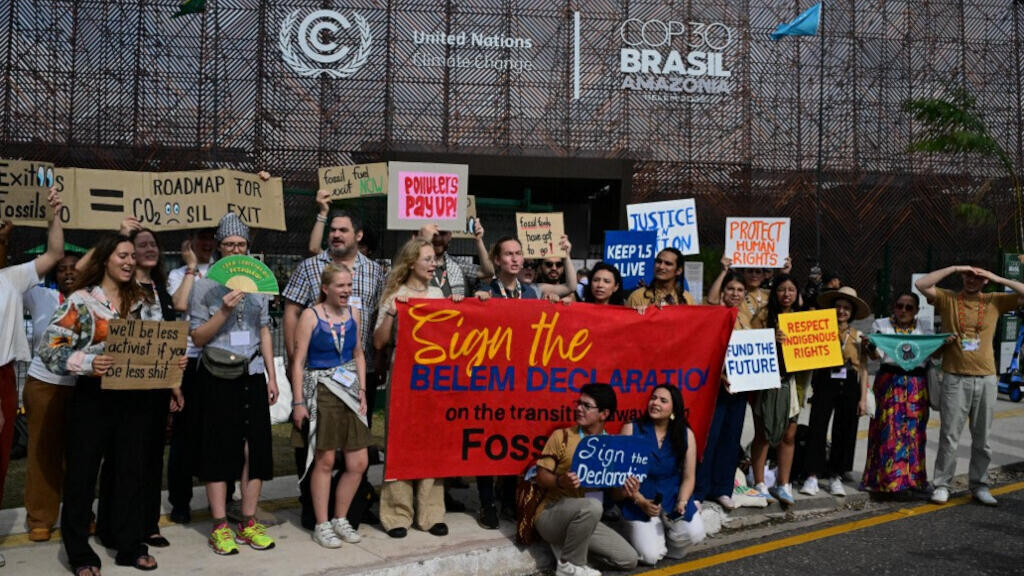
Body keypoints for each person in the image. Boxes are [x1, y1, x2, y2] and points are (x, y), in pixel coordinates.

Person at [38, 233, 162, 574]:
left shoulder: (144, 298)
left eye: (132, 257)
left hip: (136, 398)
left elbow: (159, 340)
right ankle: (79, 552)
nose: (128, 261)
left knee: (129, 473)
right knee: (81, 475)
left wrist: (171, 360)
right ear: (106, 259)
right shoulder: (80, 301)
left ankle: (126, 542)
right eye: (122, 255)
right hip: (93, 399)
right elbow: (51, 349)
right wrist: (89, 363)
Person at [283, 209, 386, 529]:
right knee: (315, 446)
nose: (336, 235)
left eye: (343, 230)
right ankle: (313, 510)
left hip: (358, 373)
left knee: (355, 446)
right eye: (333, 230)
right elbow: (291, 311)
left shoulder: (375, 272)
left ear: (358, 235)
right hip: (317, 372)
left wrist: (377, 362)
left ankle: (350, 510)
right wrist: (293, 360)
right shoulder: (311, 268)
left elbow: (380, 316)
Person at [189, 213, 279, 555]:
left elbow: (264, 331)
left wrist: (272, 375)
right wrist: (223, 312)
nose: (235, 250)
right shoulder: (204, 286)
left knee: (253, 450)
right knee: (218, 449)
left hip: (252, 372)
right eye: (229, 245)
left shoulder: (259, 284)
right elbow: (198, 338)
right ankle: (219, 525)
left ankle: (249, 520)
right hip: (216, 374)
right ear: (219, 248)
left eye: (241, 244)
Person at [472, 235, 576, 529]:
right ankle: (486, 502)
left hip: (522, 381)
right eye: (509, 254)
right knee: (487, 440)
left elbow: (569, 287)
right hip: (492, 380)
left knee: (511, 440)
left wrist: (567, 254)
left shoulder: (532, 291)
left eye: (519, 254)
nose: (515, 259)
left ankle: (506, 497)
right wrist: (479, 304)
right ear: (497, 260)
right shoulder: (486, 290)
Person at [373, 237, 462, 538]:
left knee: (432, 443)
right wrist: (392, 313)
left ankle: (431, 513)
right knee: (401, 443)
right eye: (426, 259)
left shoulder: (438, 293)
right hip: (404, 377)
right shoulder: (395, 295)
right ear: (412, 262)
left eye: (433, 260)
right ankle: (397, 514)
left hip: (435, 379)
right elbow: (379, 342)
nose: (432, 264)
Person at [916, 264, 1024, 506]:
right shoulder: (949, 298)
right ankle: (942, 484)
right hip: (954, 377)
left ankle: (979, 484)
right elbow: (921, 285)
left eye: (977, 277)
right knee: (949, 435)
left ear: (984, 281)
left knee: (982, 437)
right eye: (968, 276)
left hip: (986, 377)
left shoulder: (994, 299)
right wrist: (954, 268)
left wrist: (996, 277)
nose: (972, 280)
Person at [0, 191, 64, 557]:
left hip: (4, 376)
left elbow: (54, 254)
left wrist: (53, 216)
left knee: (2, 459)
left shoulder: (11, 279)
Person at [290, 264, 369, 548]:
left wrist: (362, 388)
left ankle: (340, 517)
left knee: (358, 462)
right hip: (322, 390)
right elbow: (298, 361)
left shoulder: (354, 313)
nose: (347, 291)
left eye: (349, 285)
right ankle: (321, 524)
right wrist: (298, 402)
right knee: (324, 461)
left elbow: (358, 352)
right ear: (326, 288)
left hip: (349, 390)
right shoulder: (310, 316)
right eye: (341, 286)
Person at [534, 383, 639, 576]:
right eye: (578, 403)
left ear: (604, 414)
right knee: (592, 506)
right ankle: (569, 565)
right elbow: (540, 476)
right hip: (551, 514)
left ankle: (571, 545)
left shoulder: (612, 448)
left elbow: (614, 493)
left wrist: (625, 490)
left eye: (586, 405)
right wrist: (560, 481)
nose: (578, 408)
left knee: (629, 559)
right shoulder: (562, 436)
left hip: (588, 517)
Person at [21, 251, 79, 542]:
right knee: (43, 453)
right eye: (61, 269)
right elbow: (11, 279)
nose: (68, 273)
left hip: (81, 387)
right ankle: (40, 517)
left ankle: (80, 514)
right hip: (44, 384)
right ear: (53, 275)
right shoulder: (39, 296)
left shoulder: (94, 300)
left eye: (74, 269)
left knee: (81, 455)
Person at [617, 385, 704, 565]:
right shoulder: (631, 428)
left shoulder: (685, 434)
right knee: (651, 556)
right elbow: (621, 476)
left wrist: (682, 502)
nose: (655, 403)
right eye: (653, 398)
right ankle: (637, 531)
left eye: (663, 401)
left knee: (695, 533)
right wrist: (640, 501)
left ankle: (666, 535)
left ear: (674, 408)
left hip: (671, 496)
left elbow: (689, 477)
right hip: (639, 498)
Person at [164, 228, 216, 524]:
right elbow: (179, 305)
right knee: (183, 437)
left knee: (218, 433)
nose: (207, 243)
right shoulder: (178, 274)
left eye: (212, 238)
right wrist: (193, 269)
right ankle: (180, 501)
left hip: (218, 360)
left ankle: (222, 494)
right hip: (188, 362)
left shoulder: (226, 269)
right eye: (202, 238)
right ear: (191, 242)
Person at [801, 287, 871, 497]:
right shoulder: (820, 330)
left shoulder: (859, 336)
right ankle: (812, 475)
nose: (842, 311)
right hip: (825, 380)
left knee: (846, 429)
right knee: (818, 427)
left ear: (852, 312)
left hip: (849, 381)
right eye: (838, 307)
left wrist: (863, 398)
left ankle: (836, 475)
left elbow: (865, 368)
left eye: (846, 308)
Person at [861, 292, 934, 494]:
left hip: (915, 385)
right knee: (888, 430)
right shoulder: (881, 325)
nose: (903, 310)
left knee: (914, 431)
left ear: (917, 311)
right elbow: (877, 356)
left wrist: (944, 343)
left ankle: (914, 480)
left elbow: (931, 353)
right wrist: (871, 347)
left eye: (908, 307)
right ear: (894, 307)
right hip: (889, 382)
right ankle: (886, 481)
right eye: (899, 306)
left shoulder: (924, 327)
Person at [695, 260, 753, 510]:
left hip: (739, 387)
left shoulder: (747, 317)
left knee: (731, 438)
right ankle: (699, 489)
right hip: (715, 386)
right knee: (711, 436)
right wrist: (724, 271)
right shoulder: (714, 312)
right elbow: (710, 298)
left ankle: (722, 488)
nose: (735, 294)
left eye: (740, 290)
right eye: (731, 289)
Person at [750, 274, 802, 505]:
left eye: (791, 290)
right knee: (763, 433)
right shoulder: (763, 316)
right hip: (767, 382)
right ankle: (760, 483)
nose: (787, 294)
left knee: (789, 434)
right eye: (782, 290)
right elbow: (750, 343)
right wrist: (771, 338)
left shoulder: (803, 318)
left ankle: (783, 484)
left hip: (793, 383)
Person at [419, 221, 494, 297]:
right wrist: (424, 242)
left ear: (450, 235)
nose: (438, 238)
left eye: (443, 233)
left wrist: (479, 240)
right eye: (433, 234)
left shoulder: (458, 264)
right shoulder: (415, 266)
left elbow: (488, 272)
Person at [626, 248, 695, 307]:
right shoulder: (637, 297)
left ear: (679, 271)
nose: (661, 267)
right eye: (658, 262)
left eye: (668, 264)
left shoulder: (687, 299)